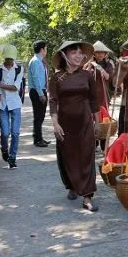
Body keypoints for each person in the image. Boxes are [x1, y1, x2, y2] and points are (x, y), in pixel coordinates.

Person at [49, 41, 100, 210]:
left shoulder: (87, 76)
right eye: (74, 53)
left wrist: (97, 122)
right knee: (68, 157)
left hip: (85, 122)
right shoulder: (57, 78)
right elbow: (53, 101)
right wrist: (55, 123)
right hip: (65, 124)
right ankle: (71, 184)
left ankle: (87, 197)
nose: (79, 56)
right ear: (64, 55)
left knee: (87, 157)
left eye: (80, 53)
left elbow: (94, 100)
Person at [0, 45, 25, 169]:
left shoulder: (19, 69)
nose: (10, 61)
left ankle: (12, 157)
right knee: (5, 133)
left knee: (15, 133)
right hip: (3, 105)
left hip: (15, 104)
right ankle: (4, 148)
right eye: (8, 58)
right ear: (4, 57)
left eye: (12, 58)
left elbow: (15, 87)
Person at [88, 41, 115, 151]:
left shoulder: (108, 65)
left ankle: (104, 144)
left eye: (102, 53)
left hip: (103, 96)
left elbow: (109, 77)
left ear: (105, 54)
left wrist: (99, 67)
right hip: (91, 96)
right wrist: (90, 65)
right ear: (94, 54)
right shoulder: (88, 64)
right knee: (92, 119)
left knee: (104, 119)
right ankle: (93, 144)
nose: (100, 55)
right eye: (97, 52)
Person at [28, 40, 51, 148]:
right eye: (46, 48)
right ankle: (37, 139)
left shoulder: (40, 60)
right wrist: (41, 94)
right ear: (42, 49)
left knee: (40, 116)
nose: (46, 51)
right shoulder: (36, 61)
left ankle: (39, 137)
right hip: (38, 91)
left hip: (41, 90)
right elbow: (36, 78)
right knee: (38, 116)